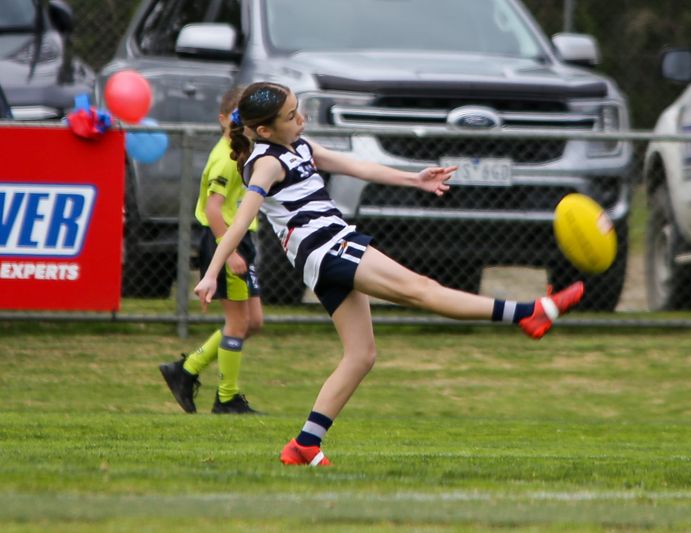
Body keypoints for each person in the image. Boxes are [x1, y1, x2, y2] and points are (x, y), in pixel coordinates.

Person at [194, 82, 584, 465]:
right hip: (329, 249)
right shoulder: (265, 162)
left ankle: (304, 445)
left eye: (298, 109)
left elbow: (356, 166)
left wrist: (414, 178)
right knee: (422, 289)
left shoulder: (299, 147)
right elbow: (242, 219)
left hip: (325, 253)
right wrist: (212, 273)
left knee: (361, 355)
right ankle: (528, 313)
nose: (302, 118)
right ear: (264, 130)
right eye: (291, 115)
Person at [160, 86, 263, 415]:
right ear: (223, 120)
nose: (241, 125)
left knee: (253, 321)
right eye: (236, 118)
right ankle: (226, 397)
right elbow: (214, 209)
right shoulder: (226, 158)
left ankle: (186, 370)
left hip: (242, 240)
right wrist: (229, 252)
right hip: (226, 242)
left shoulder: (245, 153)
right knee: (237, 324)